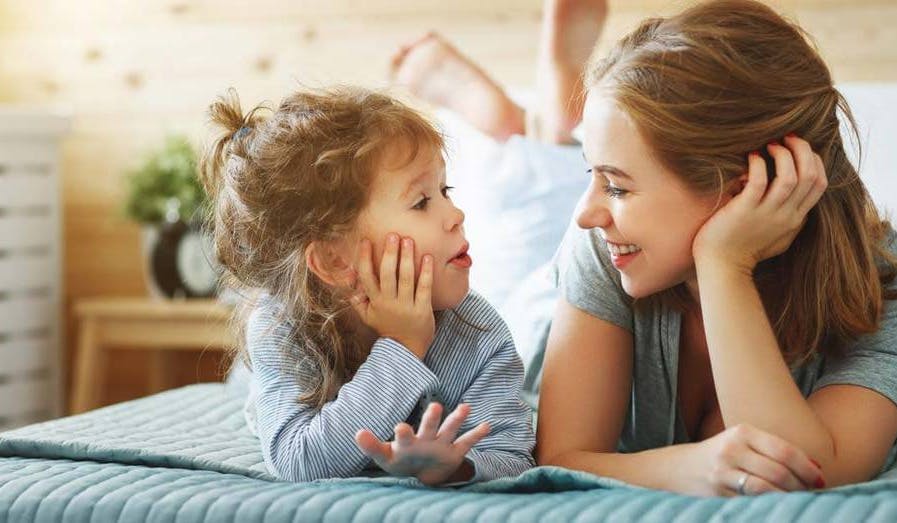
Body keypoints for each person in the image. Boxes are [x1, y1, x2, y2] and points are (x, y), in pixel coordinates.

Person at [392, 0, 897, 497]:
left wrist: (724, 265)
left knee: (548, 206)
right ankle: (539, 119)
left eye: (617, 185)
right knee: (539, 230)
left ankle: (543, 127)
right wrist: (688, 468)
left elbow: (806, 473)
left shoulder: (883, 291)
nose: (589, 212)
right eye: (600, 176)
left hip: (637, 252)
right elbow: (560, 457)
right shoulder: (597, 241)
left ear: (744, 189)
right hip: (541, 311)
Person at [200, 86, 534, 485]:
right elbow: (298, 461)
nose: (456, 214)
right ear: (334, 260)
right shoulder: (281, 326)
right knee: (250, 388)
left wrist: (456, 466)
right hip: (289, 352)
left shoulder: (478, 333)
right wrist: (402, 348)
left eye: (446, 191)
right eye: (421, 202)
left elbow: (513, 454)